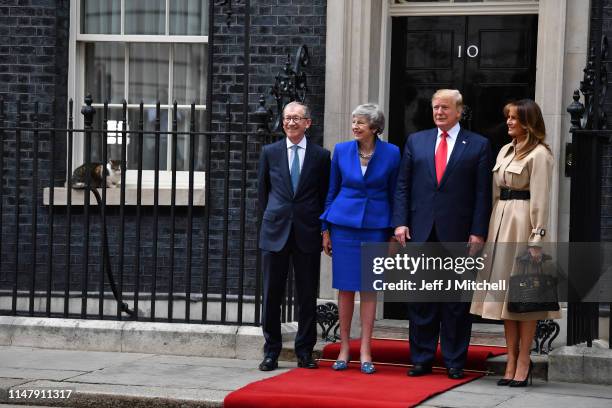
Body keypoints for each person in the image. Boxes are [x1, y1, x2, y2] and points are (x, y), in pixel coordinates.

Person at [392, 89, 492, 379]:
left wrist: (478, 231)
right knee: (420, 301)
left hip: (460, 234)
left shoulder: (478, 144)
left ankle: (454, 361)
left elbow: (482, 193)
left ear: (459, 111)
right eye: (436, 107)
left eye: (445, 108)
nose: (439, 112)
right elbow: (403, 185)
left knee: (456, 304)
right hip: (420, 232)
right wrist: (400, 222)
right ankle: (421, 359)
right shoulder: (416, 141)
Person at [470, 99, 561, 387]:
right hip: (500, 223)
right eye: (507, 116)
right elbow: (496, 195)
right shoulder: (504, 151)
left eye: (514, 118)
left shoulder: (540, 155)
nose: (508, 122)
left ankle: (524, 360)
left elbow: (542, 200)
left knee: (526, 299)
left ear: (528, 122)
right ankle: (510, 359)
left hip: (523, 226)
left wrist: (537, 239)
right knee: (505, 301)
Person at [320, 104, 400, 374]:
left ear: (375, 128)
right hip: (343, 226)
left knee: (369, 287)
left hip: (376, 226)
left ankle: (366, 349)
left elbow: (395, 194)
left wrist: (392, 233)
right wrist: (325, 229)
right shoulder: (341, 150)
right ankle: (344, 347)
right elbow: (331, 191)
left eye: (361, 123)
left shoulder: (392, 153)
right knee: (345, 288)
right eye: (353, 121)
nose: (355, 126)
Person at [257, 101, 331, 371]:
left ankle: (304, 352)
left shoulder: (322, 156)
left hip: (307, 233)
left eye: (297, 118)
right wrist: (269, 222)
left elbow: (325, 196)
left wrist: (324, 230)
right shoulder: (270, 152)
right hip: (274, 232)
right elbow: (262, 193)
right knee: (272, 295)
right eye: (287, 118)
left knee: (307, 296)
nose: (290, 123)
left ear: (307, 123)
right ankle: (271, 352)